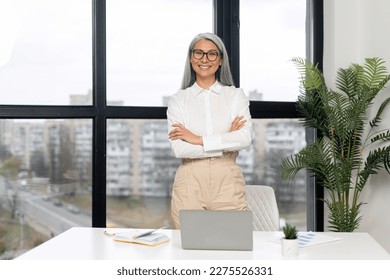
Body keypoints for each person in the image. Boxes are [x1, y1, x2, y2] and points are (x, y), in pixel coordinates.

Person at [166, 32, 253, 229]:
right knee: (188, 252)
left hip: (228, 182)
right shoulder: (178, 100)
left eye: (212, 54)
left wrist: (196, 139)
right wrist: (225, 142)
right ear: (190, 58)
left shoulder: (235, 95)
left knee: (234, 247)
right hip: (189, 182)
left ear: (220, 60)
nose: (204, 59)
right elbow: (180, 150)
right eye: (199, 53)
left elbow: (245, 138)